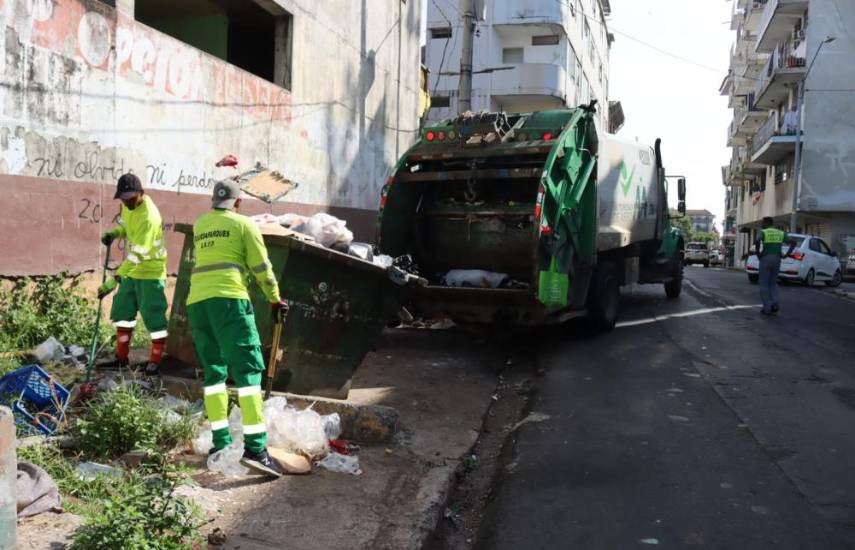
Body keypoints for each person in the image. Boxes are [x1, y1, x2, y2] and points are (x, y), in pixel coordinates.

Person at [187, 179, 288, 477]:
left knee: (214, 374)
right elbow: (261, 267)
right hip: (230, 302)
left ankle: (220, 444)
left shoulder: (200, 225)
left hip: (197, 303)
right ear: (238, 202)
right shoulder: (244, 225)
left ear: (213, 201)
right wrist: (275, 300)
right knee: (248, 372)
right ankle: (256, 449)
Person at [99, 173, 169, 376]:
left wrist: (114, 280)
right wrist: (115, 233)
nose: (127, 202)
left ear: (141, 193)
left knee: (154, 317)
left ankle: (155, 360)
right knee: (123, 312)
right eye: (123, 198)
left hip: (150, 273)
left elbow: (138, 254)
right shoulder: (129, 207)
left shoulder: (149, 217)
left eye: (130, 198)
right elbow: (127, 226)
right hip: (132, 271)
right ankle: (121, 358)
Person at [755, 216, 795, 315]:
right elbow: (793, 243)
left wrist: (758, 254)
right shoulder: (781, 233)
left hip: (766, 258)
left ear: (767, 223)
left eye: (763, 222)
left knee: (764, 284)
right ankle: (775, 304)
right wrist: (786, 255)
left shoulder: (763, 232)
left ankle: (767, 308)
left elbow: (757, 241)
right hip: (777, 259)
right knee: (773, 283)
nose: (761, 224)